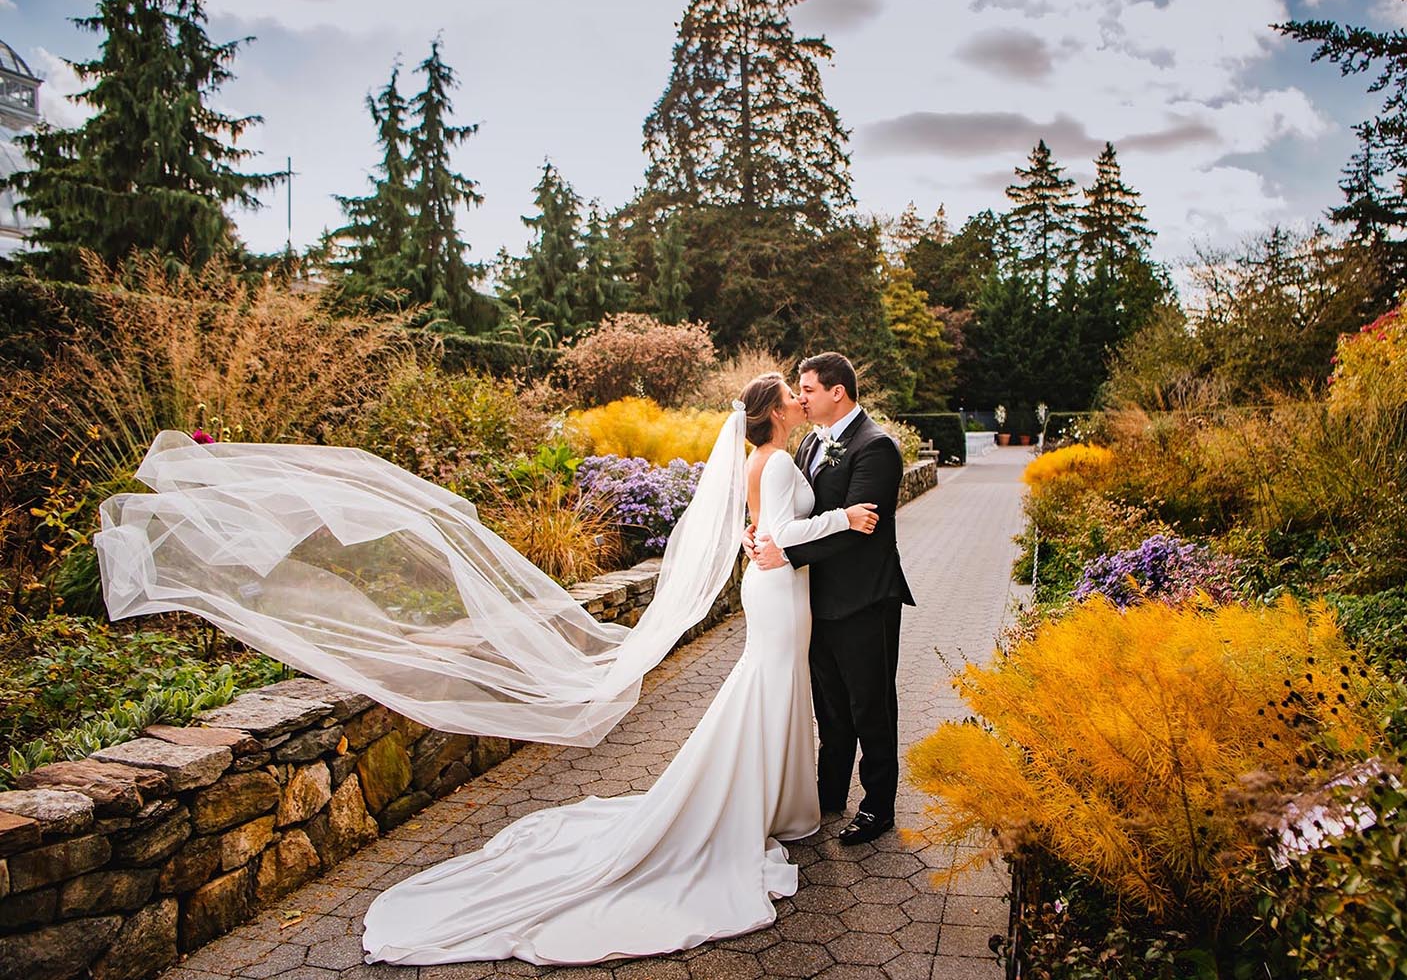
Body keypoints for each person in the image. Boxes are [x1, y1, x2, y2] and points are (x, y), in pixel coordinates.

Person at [94, 372, 878, 966]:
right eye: (795, 394)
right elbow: (775, 529)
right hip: (782, 590)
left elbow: (762, 532)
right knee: (769, 689)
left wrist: (785, 533)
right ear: (776, 412)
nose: (803, 401)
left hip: (779, 587)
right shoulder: (774, 463)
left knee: (774, 691)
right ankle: (760, 810)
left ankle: (775, 805)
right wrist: (842, 516)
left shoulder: (775, 455)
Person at [748, 352, 914, 847]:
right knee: (832, 709)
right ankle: (830, 793)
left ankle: (878, 805)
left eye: (809, 389)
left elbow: (859, 526)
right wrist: (758, 536)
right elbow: (786, 514)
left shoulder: (877, 447)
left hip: (864, 600)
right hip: (813, 601)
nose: (801, 397)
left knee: (872, 707)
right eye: (797, 391)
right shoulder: (808, 446)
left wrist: (787, 553)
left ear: (836, 391)